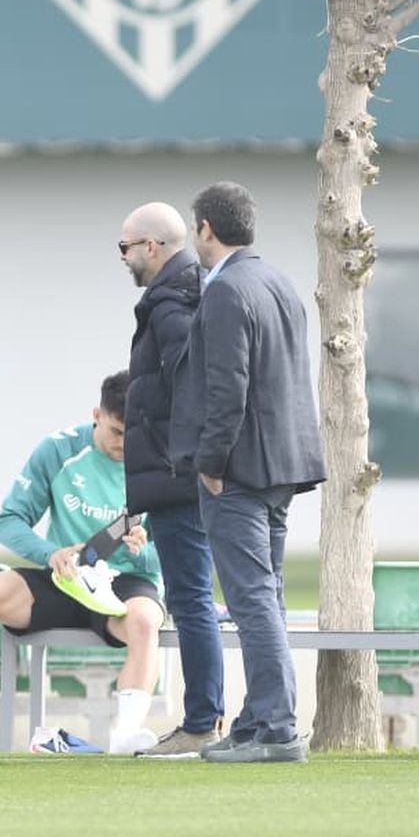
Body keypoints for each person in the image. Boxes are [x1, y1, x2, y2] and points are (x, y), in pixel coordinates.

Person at [0, 372, 164, 755]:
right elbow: (8, 520)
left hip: (126, 584)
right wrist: (51, 553)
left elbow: (187, 546)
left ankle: (126, 735)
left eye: (136, 434)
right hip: (64, 578)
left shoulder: (163, 459)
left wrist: (142, 550)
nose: (126, 444)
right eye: (116, 431)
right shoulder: (59, 450)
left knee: (146, 622)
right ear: (97, 414)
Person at [185, 181, 324, 765]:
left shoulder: (226, 290)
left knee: (251, 600)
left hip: (239, 471)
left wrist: (211, 463)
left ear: (206, 230)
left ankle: (275, 725)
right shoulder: (277, 281)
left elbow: (228, 387)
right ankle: (256, 717)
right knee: (264, 593)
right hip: (281, 468)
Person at [117, 201, 225, 756]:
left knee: (190, 599)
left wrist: (179, 460)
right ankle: (209, 717)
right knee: (194, 597)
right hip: (178, 473)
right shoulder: (187, 292)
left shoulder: (170, 302)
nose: (124, 259)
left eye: (126, 248)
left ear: (152, 247)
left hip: (177, 478)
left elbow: (194, 384)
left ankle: (202, 720)